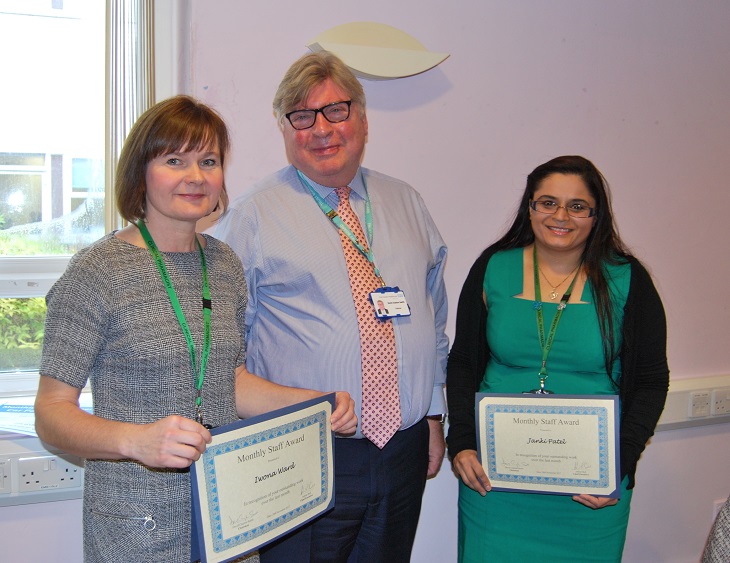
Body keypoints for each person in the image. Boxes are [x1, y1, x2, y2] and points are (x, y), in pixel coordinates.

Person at [34, 95, 357, 563]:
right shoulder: (97, 271)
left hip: (230, 518)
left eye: (208, 161)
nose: (195, 176)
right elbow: (51, 413)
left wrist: (310, 404)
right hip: (137, 527)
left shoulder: (224, 263)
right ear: (140, 173)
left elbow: (230, 381)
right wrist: (136, 440)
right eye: (174, 160)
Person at [216, 51, 448, 563]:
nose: (321, 129)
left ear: (363, 118)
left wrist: (433, 414)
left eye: (336, 110)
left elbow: (433, 318)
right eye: (302, 116)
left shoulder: (406, 202)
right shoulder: (251, 219)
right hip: (304, 452)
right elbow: (221, 352)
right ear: (283, 129)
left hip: (403, 450)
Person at [446, 155, 669, 562]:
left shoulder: (628, 278)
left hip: (589, 492)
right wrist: (460, 443)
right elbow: (462, 362)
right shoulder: (493, 267)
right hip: (496, 485)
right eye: (547, 202)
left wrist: (619, 465)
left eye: (577, 206)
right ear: (529, 207)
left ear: (596, 215)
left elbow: (652, 381)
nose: (560, 216)